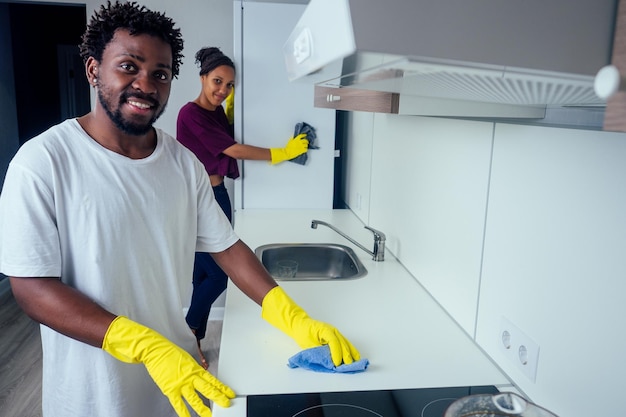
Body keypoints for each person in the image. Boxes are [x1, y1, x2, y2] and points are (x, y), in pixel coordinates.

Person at [0, 2, 360, 417]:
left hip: (180, 382)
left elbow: (227, 247)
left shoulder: (182, 163)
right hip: (93, 394)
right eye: (128, 66)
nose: (146, 85)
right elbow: (30, 289)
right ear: (93, 70)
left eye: (160, 74)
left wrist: (292, 316)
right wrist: (144, 345)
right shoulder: (43, 161)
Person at [176, 46, 309, 368]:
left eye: (229, 85)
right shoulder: (190, 113)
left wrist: (235, 113)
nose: (222, 90)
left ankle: (193, 339)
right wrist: (282, 153)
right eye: (217, 81)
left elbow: (221, 140)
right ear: (203, 77)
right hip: (198, 201)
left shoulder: (217, 111)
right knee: (219, 276)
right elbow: (232, 149)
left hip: (217, 196)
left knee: (201, 275)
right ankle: (189, 334)